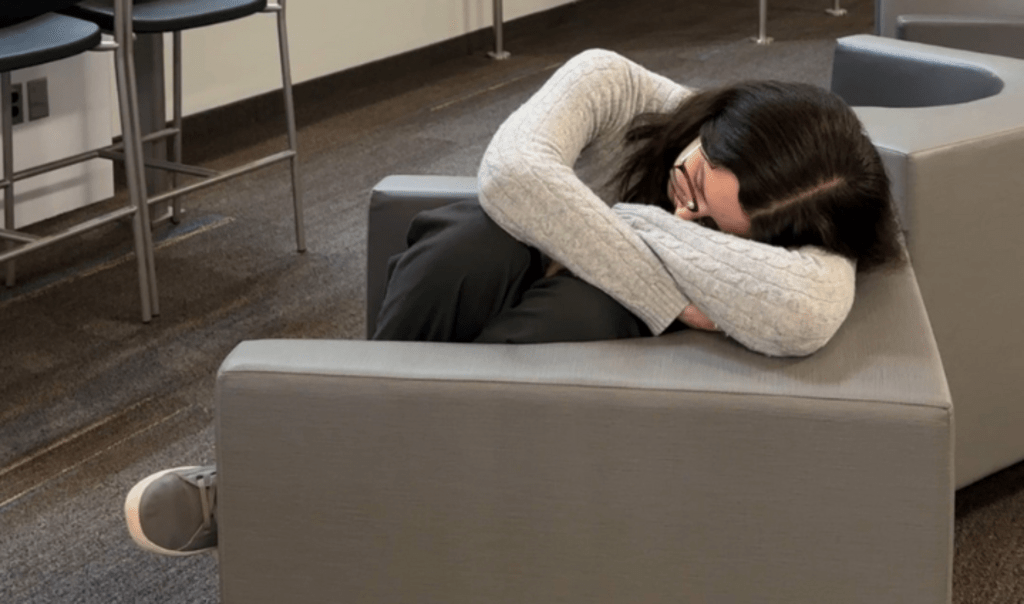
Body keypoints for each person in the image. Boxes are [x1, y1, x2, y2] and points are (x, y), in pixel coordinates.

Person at [122, 49, 904, 556]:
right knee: (477, 236)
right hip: (488, 277)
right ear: (720, 117)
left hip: (590, 362)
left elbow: (804, 310)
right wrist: (655, 258)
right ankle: (355, 476)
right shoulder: (614, 85)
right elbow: (513, 178)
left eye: (711, 226)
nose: (684, 210)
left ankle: (275, 484)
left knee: (589, 313)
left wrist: (598, 248)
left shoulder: (806, 217)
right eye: (693, 181)